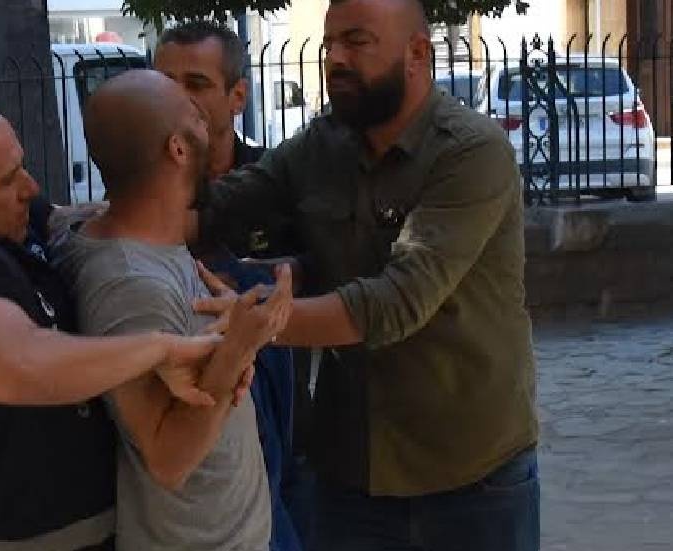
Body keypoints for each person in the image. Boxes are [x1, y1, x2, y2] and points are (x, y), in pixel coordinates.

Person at [193, 1, 540, 550]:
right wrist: (115, 220)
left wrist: (256, 324)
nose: (335, 58)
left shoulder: (472, 152)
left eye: (356, 41)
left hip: (471, 477)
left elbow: (397, 301)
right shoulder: (322, 146)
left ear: (418, 53)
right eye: (329, 44)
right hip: (351, 475)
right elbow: (224, 205)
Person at [0, 94, 226, 551]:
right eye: (8, 179)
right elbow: (19, 365)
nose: (30, 187)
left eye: (21, 166)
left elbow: (72, 220)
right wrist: (159, 349)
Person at [52, 69, 292, 551]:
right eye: (196, 118)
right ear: (177, 150)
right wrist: (239, 348)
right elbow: (167, 459)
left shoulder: (131, 233)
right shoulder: (130, 285)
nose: (210, 128)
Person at [154, 21, 309, 551]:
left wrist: (268, 280)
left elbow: (325, 265)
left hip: (280, 416)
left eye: (196, 83)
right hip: (190, 426)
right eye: (165, 82)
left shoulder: (277, 181)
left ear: (238, 96)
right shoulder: (143, 186)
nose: (178, 97)